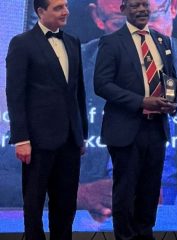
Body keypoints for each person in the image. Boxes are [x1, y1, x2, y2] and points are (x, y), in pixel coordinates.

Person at [93, 0, 177, 239]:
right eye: (134, 5)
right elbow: (102, 84)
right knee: (125, 193)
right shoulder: (111, 42)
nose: (141, 9)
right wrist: (141, 101)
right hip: (125, 130)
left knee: (150, 192)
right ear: (123, 10)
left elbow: (170, 78)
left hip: (156, 129)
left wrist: (171, 101)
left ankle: (146, 234)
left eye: (144, 5)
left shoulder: (162, 41)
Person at [5, 0, 88, 239]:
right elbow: (15, 94)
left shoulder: (73, 42)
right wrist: (21, 138)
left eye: (66, 6)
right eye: (58, 7)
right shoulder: (22, 43)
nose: (66, 11)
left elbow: (78, 92)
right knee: (33, 207)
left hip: (70, 141)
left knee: (66, 207)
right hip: (37, 141)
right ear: (41, 12)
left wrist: (81, 133)